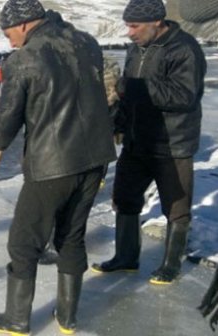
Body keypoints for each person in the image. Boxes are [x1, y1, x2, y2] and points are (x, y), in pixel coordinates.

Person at [0, 0, 117, 335]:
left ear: (24, 24)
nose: (7, 38)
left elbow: (5, 127)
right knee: (71, 236)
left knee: (24, 242)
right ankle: (68, 318)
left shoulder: (24, 59)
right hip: (96, 158)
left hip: (53, 164)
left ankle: (16, 319)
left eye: (7, 31)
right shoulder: (87, 42)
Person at [91, 0, 207, 286]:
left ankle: (170, 265)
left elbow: (184, 96)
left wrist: (135, 88)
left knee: (176, 207)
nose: (129, 32)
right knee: (125, 199)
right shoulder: (136, 48)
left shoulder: (184, 48)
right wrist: (117, 123)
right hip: (136, 139)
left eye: (135, 26)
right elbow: (127, 95)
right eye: (128, 25)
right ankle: (126, 257)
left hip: (172, 142)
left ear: (157, 22)